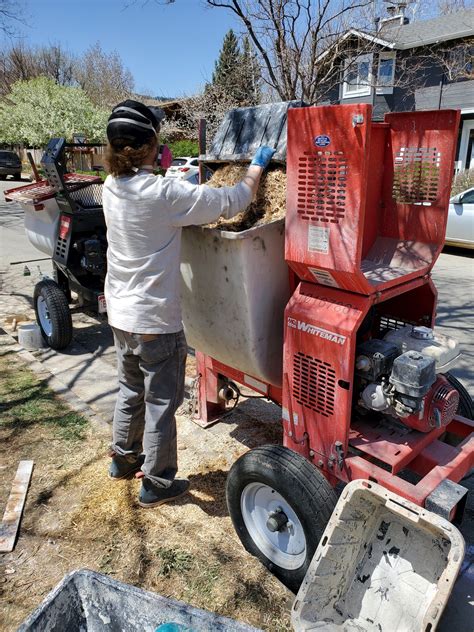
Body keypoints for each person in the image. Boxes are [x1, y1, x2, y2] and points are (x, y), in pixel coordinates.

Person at [103, 99, 275, 508]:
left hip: (121, 314)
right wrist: (256, 168)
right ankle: (157, 484)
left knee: (129, 390)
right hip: (154, 321)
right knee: (161, 402)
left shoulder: (111, 187)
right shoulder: (164, 193)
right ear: (150, 145)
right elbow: (232, 201)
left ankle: (123, 460)